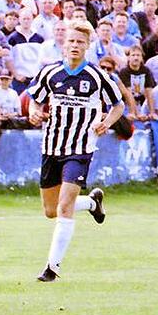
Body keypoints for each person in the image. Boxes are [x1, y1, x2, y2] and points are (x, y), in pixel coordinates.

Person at [26, 20, 124, 282]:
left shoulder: (96, 76)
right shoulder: (50, 73)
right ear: (63, 43)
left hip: (80, 148)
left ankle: (52, 268)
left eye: (80, 42)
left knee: (65, 205)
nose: (74, 45)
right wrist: (34, 112)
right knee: (51, 210)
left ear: (87, 46)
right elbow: (34, 100)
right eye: (71, 41)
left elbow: (118, 105)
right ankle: (92, 203)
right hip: (51, 147)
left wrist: (107, 122)